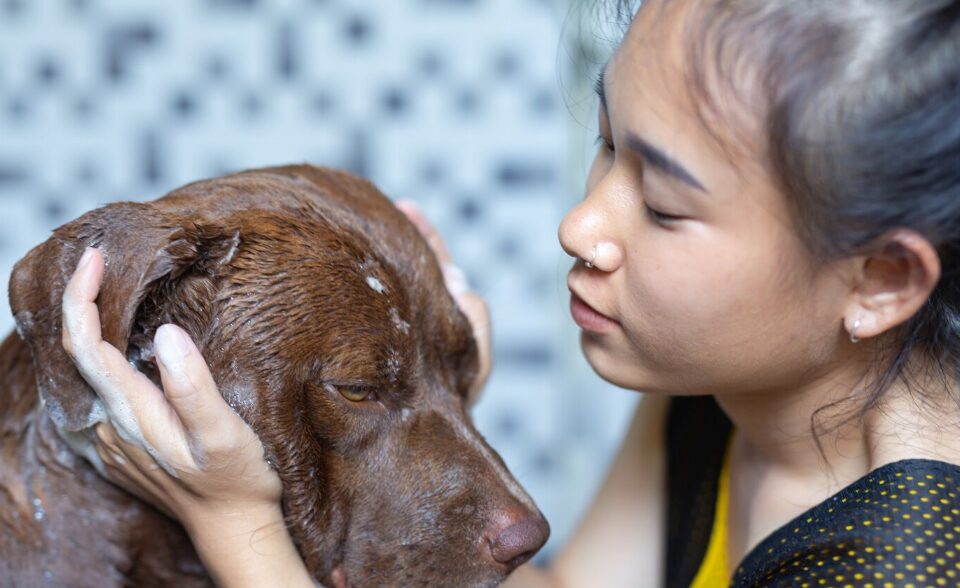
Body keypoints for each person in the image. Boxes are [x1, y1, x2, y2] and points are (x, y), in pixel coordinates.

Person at [60, 0, 960, 586]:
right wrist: (430, 414)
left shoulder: (909, 562)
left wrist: (235, 521)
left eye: (662, 205)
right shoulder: (734, 390)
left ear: (878, 280)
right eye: (607, 143)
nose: (581, 226)